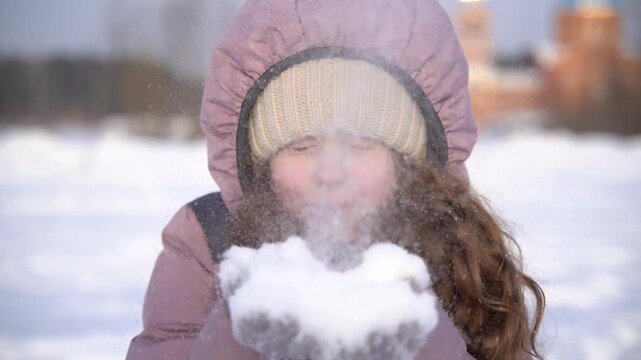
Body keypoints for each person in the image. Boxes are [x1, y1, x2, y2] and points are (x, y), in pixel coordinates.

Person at [126, 0, 545, 359]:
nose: (330, 172)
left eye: (360, 145)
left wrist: (413, 333)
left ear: (409, 163)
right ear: (259, 162)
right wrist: (241, 331)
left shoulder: (455, 245)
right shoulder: (209, 241)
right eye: (302, 147)